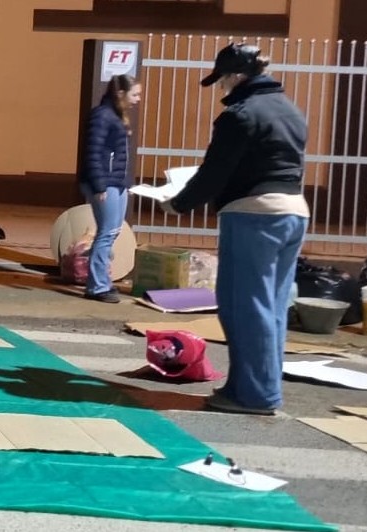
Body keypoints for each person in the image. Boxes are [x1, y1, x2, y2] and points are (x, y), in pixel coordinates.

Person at [159, 43, 310, 415]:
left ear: (236, 76)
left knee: (245, 307)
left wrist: (178, 203)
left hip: (253, 212)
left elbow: (215, 171)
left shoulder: (240, 115)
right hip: (294, 212)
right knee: (271, 308)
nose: (222, 87)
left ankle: (254, 396)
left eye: (223, 79)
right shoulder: (291, 110)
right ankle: (258, 388)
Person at [78, 74, 142, 303]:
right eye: (135, 94)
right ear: (120, 94)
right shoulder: (102, 116)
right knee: (106, 233)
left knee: (112, 232)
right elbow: (93, 152)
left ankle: (100, 279)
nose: (138, 99)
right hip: (105, 183)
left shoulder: (115, 115)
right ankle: (97, 286)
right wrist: (99, 185)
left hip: (116, 182)